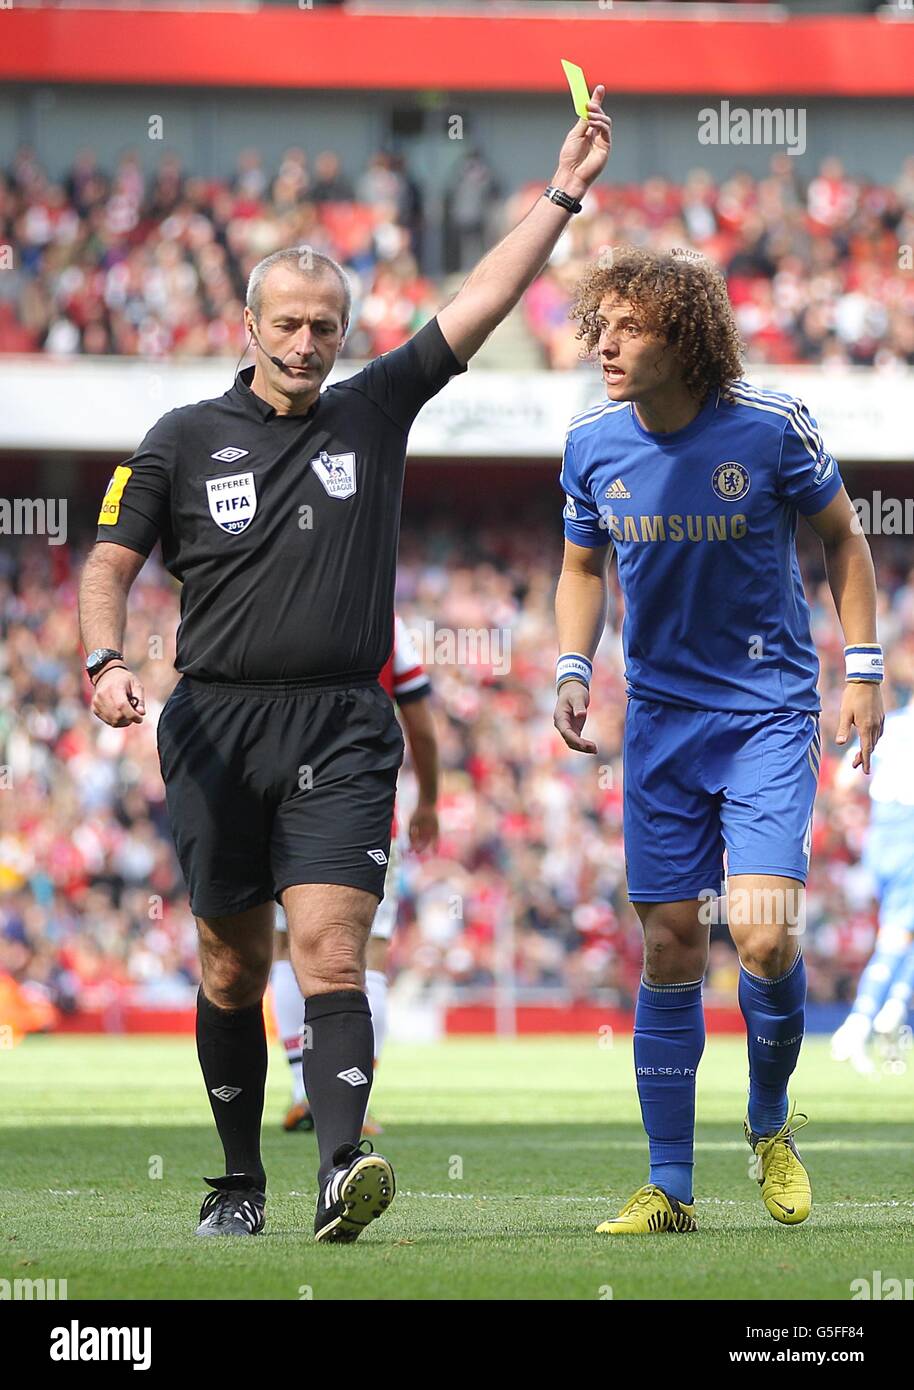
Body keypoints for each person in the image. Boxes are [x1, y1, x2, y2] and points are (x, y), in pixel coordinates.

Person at [78, 86, 611, 1243]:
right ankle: (235, 1179)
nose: (311, 343)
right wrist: (103, 660)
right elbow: (108, 564)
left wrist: (563, 191)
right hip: (214, 727)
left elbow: (482, 298)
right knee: (228, 967)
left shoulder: (373, 409)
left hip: (339, 728)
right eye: (292, 325)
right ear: (251, 326)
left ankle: (339, 1169)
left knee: (330, 949)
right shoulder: (178, 438)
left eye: (328, 324)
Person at [553, 246, 884, 1235]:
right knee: (667, 943)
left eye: (628, 327)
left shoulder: (769, 427)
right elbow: (578, 566)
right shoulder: (588, 445)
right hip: (656, 724)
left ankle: (769, 1121)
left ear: (685, 338)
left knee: (764, 930)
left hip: (768, 714)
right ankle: (669, 1187)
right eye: (598, 325)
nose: (603, 342)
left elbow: (844, 538)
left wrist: (861, 666)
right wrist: (573, 667)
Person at [272, 613, 438, 1134]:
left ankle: (304, 1090)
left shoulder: (284, 601)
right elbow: (421, 723)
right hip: (362, 812)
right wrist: (430, 800)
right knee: (368, 956)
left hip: (282, 806)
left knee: (285, 944)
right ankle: (352, 1101)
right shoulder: (386, 623)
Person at [831, 695, 914, 1073]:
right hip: (909, 835)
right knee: (896, 937)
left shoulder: (889, 723)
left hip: (882, 836)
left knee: (904, 933)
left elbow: (844, 778)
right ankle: (860, 1022)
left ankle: (896, 1005)